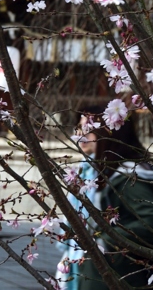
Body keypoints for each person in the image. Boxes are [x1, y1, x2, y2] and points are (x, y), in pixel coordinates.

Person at [76, 115, 153, 289]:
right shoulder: (110, 172)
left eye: (89, 131)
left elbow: (151, 220)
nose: (82, 136)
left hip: (125, 270)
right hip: (118, 266)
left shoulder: (128, 178)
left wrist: (106, 242)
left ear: (109, 134)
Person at [57, 111, 101, 290]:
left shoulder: (106, 173)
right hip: (77, 246)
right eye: (79, 129)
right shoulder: (83, 167)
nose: (81, 135)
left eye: (88, 130)